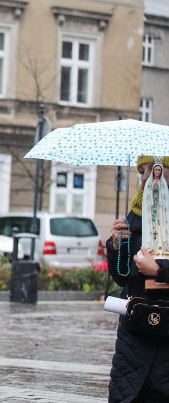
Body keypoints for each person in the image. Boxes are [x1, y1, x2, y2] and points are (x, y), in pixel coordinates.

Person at [107, 155, 169, 402]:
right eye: (141, 171)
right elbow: (122, 277)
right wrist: (116, 245)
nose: (144, 178)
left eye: (151, 170)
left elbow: (154, 268)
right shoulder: (137, 212)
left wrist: (159, 270)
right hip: (135, 333)